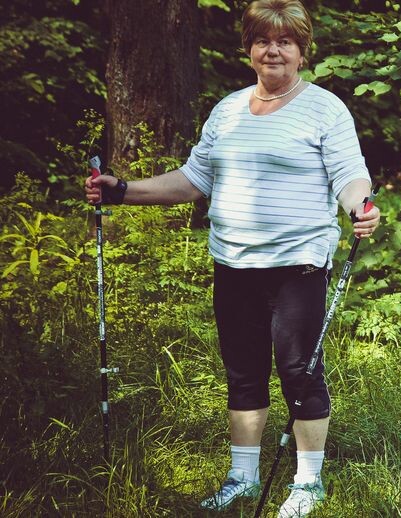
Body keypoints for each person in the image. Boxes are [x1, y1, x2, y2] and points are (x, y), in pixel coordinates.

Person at [84, 1, 379, 516]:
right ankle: (242, 477)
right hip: (234, 262)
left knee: (298, 371)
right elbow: (195, 179)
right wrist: (122, 190)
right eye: (264, 40)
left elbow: (349, 174)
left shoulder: (325, 108)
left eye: (285, 41)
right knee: (242, 371)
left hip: (296, 265)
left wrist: (360, 205)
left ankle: (308, 484)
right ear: (248, 49)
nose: (274, 50)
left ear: (302, 51)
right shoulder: (227, 110)